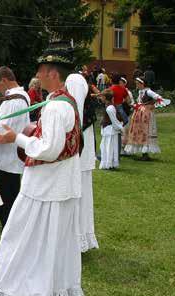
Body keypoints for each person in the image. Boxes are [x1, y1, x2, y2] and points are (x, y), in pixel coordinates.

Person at [0, 41, 84, 296]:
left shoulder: (57, 107)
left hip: (44, 187)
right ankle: (49, 293)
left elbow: (50, 149)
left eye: (41, 71)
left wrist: (16, 138)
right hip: (59, 185)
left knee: (17, 239)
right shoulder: (66, 102)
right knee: (52, 244)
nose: (38, 76)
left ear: (51, 73)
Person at [0, 66, 30, 226]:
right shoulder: (17, 98)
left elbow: (2, 129)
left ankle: (10, 231)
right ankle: (10, 228)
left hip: (7, 159)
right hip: (7, 157)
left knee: (6, 200)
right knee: (6, 198)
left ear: (4, 80)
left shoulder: (15, 100)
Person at [66, 72, 98, 253]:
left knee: (79, 195)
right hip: (79, 151)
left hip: (81, 154)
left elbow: (75, 113)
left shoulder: (75, 81)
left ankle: (77, 240)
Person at [124, 77, 170, 161]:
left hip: (146, 115)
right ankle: (144, 153)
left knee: (145, 131)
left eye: (137, 83)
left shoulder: (148, 91)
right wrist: (137, 105)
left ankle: (145, 154)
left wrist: (151, 105)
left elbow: (158, 97)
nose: (136, 85)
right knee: (140, 131)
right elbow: (140, 102)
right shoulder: (140, 91)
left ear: (142, 84)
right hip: (140, 114)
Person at [99, 90, 124, 170]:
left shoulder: (110, 108)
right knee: (105, 147)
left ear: (105, 98)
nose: (101, 98)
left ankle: (110, 164)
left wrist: (120, 128)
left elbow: (114, 120)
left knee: (110, 147)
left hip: (111, 130)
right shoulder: (107, 106)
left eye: (102, 96)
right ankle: (108, 163)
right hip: (108, 130)